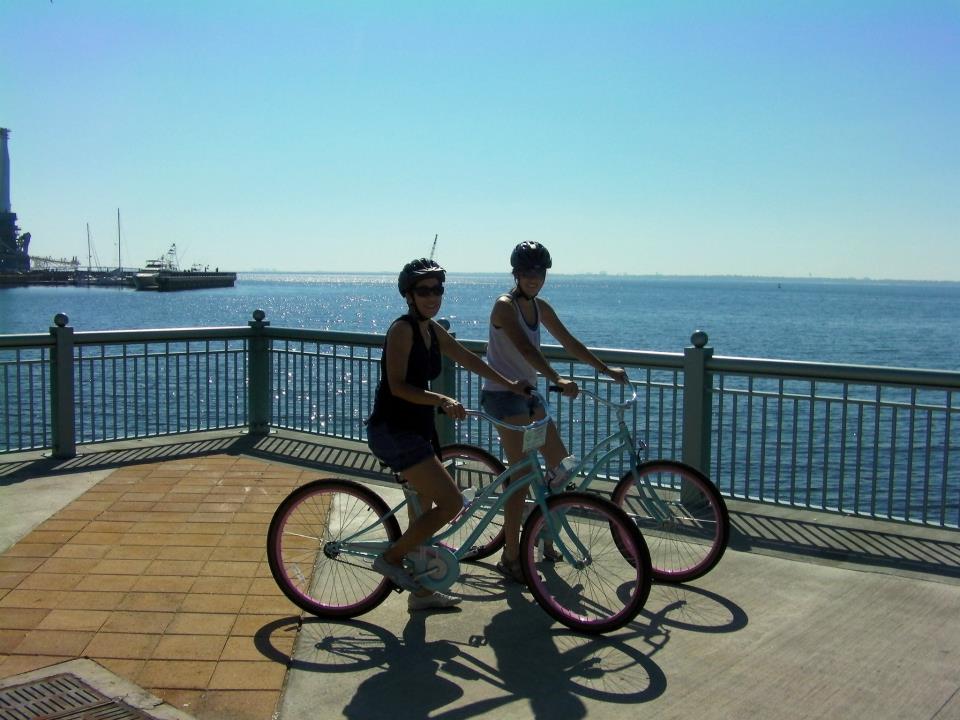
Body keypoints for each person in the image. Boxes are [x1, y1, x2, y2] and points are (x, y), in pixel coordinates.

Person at [367, 257, 530, 610]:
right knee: (452, 502)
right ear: (408, 295)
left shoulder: (431, 329)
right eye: (424, 290)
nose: (432, 296)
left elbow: (469, 359)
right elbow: (397, 386)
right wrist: (441, 398)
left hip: (417, 429)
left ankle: (421, 593)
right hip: (394, 430)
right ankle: (391, 559)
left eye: (437, 289)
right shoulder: (403, 329)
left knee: (422, 512)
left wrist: (509, 385)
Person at [480, 241, 629, 582]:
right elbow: (525, 350)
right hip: (504, 397)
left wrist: (607, 371)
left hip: (530, 396)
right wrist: (556, 377)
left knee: (562, 467)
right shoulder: (504, 306)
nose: (534, 278)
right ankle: (510, 555)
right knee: (520, 479)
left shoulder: (540, 307)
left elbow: (570, 343)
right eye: (528, 272)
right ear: (516, 274)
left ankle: (543, 532)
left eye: (540, 272)